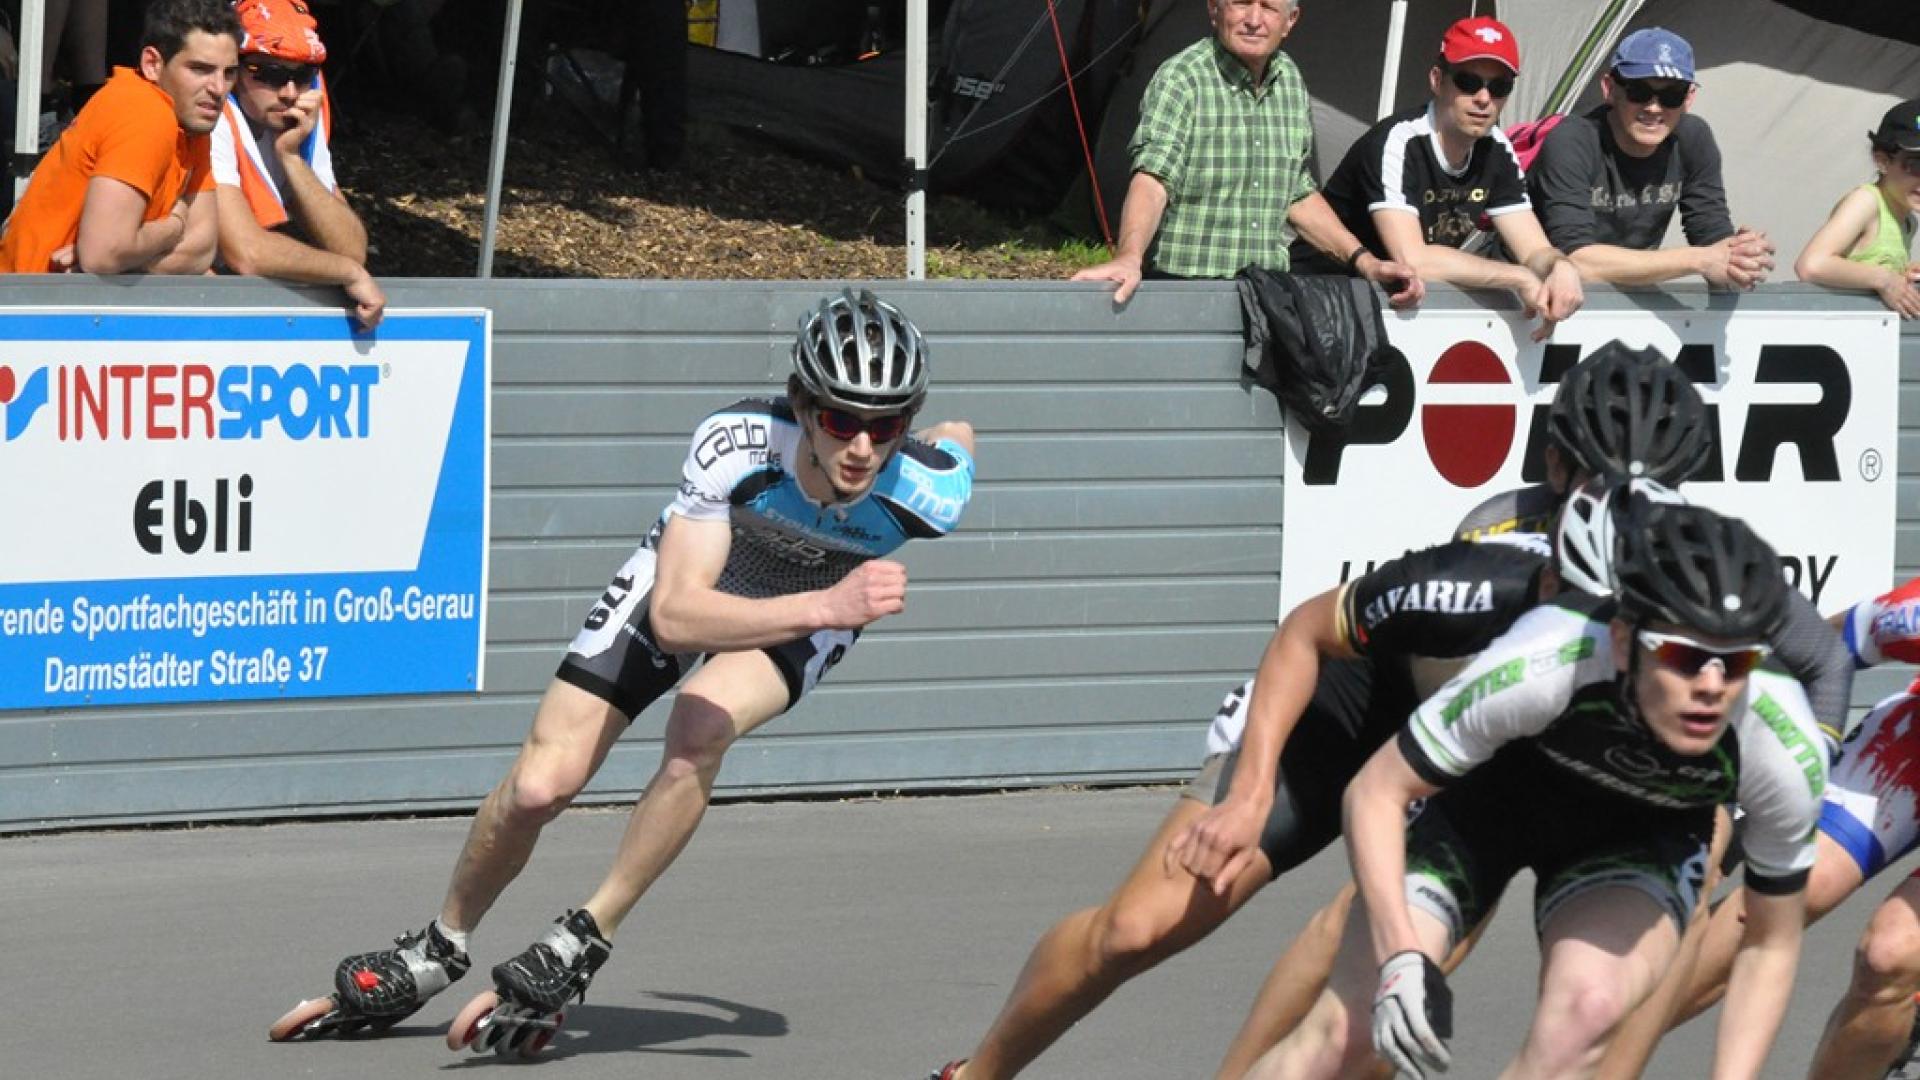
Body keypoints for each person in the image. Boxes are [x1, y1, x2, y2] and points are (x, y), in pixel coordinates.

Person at [925, 344, 1806, 1080]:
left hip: (1478, 755)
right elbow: (1306, 633)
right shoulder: (1494, 562)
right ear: (1555, 466)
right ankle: (977, 1074)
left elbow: (1805, 668)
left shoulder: (1679, 590)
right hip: (1363, 701)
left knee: (1382, 997)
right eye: (1598, 477)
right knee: (1137, 928)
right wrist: (1249, 794)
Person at [270, 290, 976, 1041]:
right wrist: (827, 606)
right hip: (711, 582)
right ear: (803, 406)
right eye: (840, 420)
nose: (862, 447)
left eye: (885, 425)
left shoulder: (931, 492)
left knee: (700, 727)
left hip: (813, 601)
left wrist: (832, 596)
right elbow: (677, 615)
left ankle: (585, 936)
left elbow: (957, 436)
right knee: (540, 785)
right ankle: (441, 944)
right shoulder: (739, 445)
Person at [1247, 502, 1822, 1080]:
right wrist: (1400, 957)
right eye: (1684, 656)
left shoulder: (1780, 738)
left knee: (1587, 1012)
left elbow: (1769, 943)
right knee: (1347, 1034)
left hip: (1635, 837)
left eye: (1738, 662)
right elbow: (1375, 792)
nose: (1713, 686)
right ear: (1623, 640)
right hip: (1484, 808)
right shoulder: (1547, 657)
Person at [1643, 575, 1920, 1078]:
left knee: (1893, 955)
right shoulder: (1914, 615)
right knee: (1783, 894)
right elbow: (1824, 652)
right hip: (1908, 752)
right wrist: (1748, 783)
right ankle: (1589, 1057)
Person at [1070, 0, 1421, 308]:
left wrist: (1365, 262)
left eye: (1268, 7)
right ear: (1214, 9)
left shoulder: (1289, 80)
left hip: (1266, 295)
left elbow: (1296, 193)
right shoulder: (1182, 78)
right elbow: (1153, 180)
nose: (1254, 20)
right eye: (1241, 3)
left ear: (1290, 21)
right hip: (1187, 290)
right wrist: (1129, 257)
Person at [1291, 16, 1582, 341]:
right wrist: (1518, 276)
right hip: (1319, 299)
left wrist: (1560, 266)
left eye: (1499, 87)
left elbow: (1533, 249)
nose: (1484, 98)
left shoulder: (1497, 149)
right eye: (1468, 82)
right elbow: (1414, 259)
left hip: (1396, 308)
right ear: (1437, 80)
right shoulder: (1399, 141)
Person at [1526, 27, 1776, 290]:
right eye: (1639, 92)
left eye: (1671, 95)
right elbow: (1575, 260)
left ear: (1689, 98)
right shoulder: (1572, 139)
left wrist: (1739, 256)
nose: (1654, 108)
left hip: (1632, 293)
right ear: (1610, 89)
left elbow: (1710, 232)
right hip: (1536, 296)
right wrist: (1699, 260)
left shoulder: (1693, 138)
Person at [0, 0, 235, 274]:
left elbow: (202, 249)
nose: (218, 88)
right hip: (31, 296)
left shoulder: (192, 116)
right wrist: (174, 226)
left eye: (229, 72)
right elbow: (105, 254)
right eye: (200, 69)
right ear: (152, 64)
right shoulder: (144, 112)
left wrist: (125, 261)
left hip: (75, 295)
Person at [212, 0, 384, 330]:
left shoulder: (300, 118)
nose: (290, 93)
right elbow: (247, 252)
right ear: (233, 70)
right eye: (270, 74)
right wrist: (348, 273)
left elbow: (350, 248)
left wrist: (292, 159)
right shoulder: (211, 113)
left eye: (303, 75)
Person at [1793, 97, 1920, 319]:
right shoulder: (1867, 202)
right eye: (1916, 164)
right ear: (1882, 161)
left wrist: (1902, 276)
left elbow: (1863, 264)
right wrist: (1885, 279)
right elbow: (1811, 265)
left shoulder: (1908, 221)